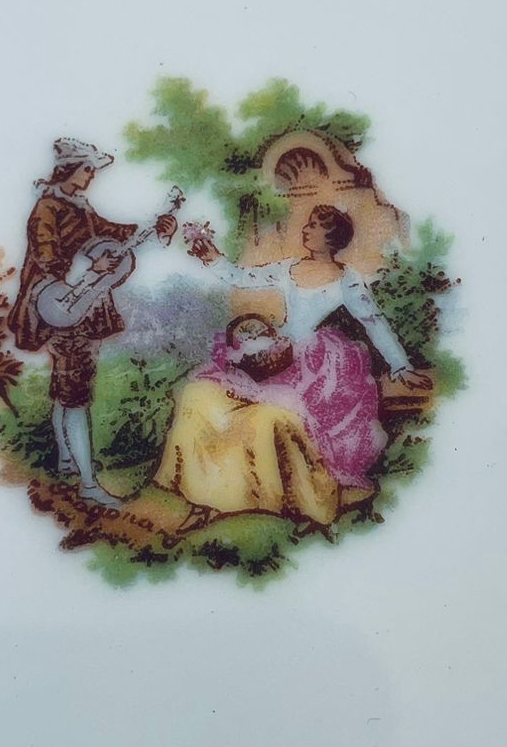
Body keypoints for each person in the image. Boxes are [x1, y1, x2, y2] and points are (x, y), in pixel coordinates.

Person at [154, 203, 430, 527]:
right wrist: (213, 258)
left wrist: (400, 366)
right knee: (207, 395)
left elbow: (373, 321)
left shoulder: (348, 280)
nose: (306, 229)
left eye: (314, 226)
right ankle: (218, 488)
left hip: (318, 363)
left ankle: (259, 493)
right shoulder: (290, 268)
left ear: (331, 238)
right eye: (308, 224)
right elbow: (242, 278)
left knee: (270, 416)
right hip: (280, 349)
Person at [11, 138, 176, 507]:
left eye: (92, 170)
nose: (91, 176)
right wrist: (88, 265)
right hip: (60, 309)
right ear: (68, 170)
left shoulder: (79, 207)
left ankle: (66, 460)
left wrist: (155, 228)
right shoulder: (47, 209)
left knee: (69, 386)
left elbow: (113, 233)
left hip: (84, 308)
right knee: (76, 395)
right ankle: (88, 484)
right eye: (87, 169)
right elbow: (46, 257)